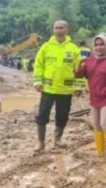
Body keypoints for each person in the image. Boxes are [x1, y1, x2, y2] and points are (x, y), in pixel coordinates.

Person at [32, 20, 84, 152]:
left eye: (61, 28)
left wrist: (78, 86)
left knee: (62, 116)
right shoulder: (45, 47)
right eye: (56, 28)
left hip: (65, 90)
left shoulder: (73, 49)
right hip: (48, 89)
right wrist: (37, 82)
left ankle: (57, 140)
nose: (59, 30)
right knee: (42, 116)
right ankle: (41, 143)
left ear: (67, 30)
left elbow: (79, 69)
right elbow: (38, 65)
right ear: (53, 30)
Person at [75, 34, 106, 160]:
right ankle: (100, 152)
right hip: (94, 98)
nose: (99, 47)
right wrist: (79, 64)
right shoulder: (90, 60)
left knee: (105, 124)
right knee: (96, 125)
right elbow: (80, 75)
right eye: (96, 45)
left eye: (102, 44)